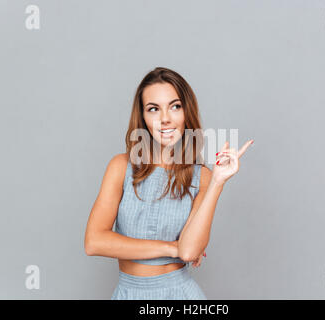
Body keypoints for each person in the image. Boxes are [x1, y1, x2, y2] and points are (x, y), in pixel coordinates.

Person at [84, 67, 253, 299]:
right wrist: (169, 247)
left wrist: (217, 182)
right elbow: (94, 242)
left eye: (175, 106)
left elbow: (189, 251)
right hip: (128, 292)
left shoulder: (201, 177)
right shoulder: (121, 167)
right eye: (154, 109)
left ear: (186, 112)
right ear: (143, 117)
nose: (165, 119)